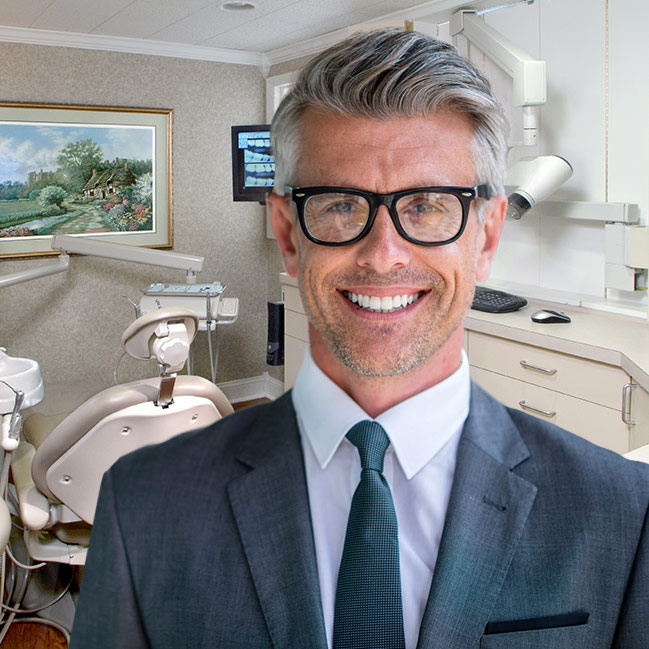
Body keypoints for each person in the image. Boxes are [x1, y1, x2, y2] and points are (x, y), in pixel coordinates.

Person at [70, 29, 649, 649]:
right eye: (341, 205)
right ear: (289, 235)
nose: (383, 256)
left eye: (428, 204)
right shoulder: (143, 506)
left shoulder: (623, 515)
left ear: (485, 236)